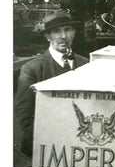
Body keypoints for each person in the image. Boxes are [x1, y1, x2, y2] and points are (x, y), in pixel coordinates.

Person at [14, 9, 89, 158]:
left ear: (74, 33)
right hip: (43, 148)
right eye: (56, 31)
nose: (63, 36)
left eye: (68, 30)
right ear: (48, 36)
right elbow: (25, 115)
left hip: (80, 148)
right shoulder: (32, 69)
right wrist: (52, 141)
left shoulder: (86, 64)